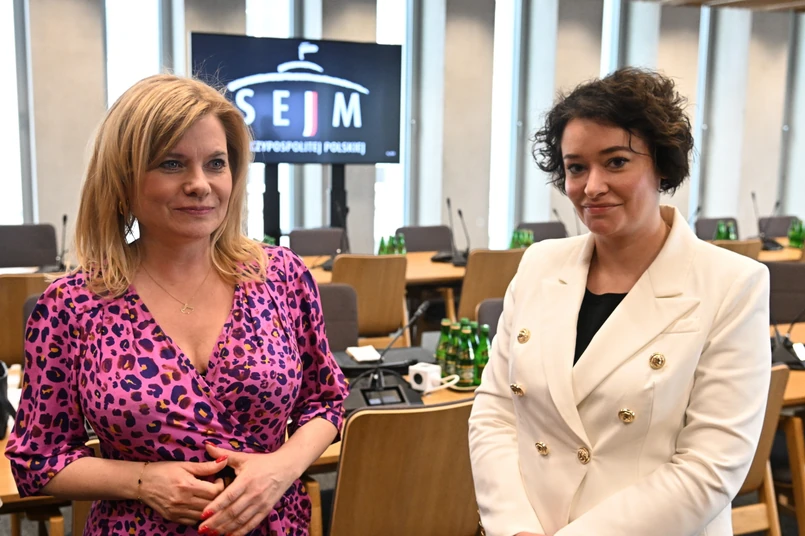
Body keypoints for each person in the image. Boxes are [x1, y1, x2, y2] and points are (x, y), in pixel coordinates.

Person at [6, 74, 348, 536]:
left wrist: (281, 468)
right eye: (172, 164)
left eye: (216, 163)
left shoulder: (281, 276)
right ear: (123, 180)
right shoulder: (71, 305)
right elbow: (37, 459)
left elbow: (325, 401)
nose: (200, 184)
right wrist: (142, 481)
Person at [468, 68, 771, 536]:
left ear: (662, 165)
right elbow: (495, 413)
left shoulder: (732, 284)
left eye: (615, 162)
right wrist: (513, 526)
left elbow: (710, 466)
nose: (591, 186)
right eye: (576, 167)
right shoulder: (539, 264)